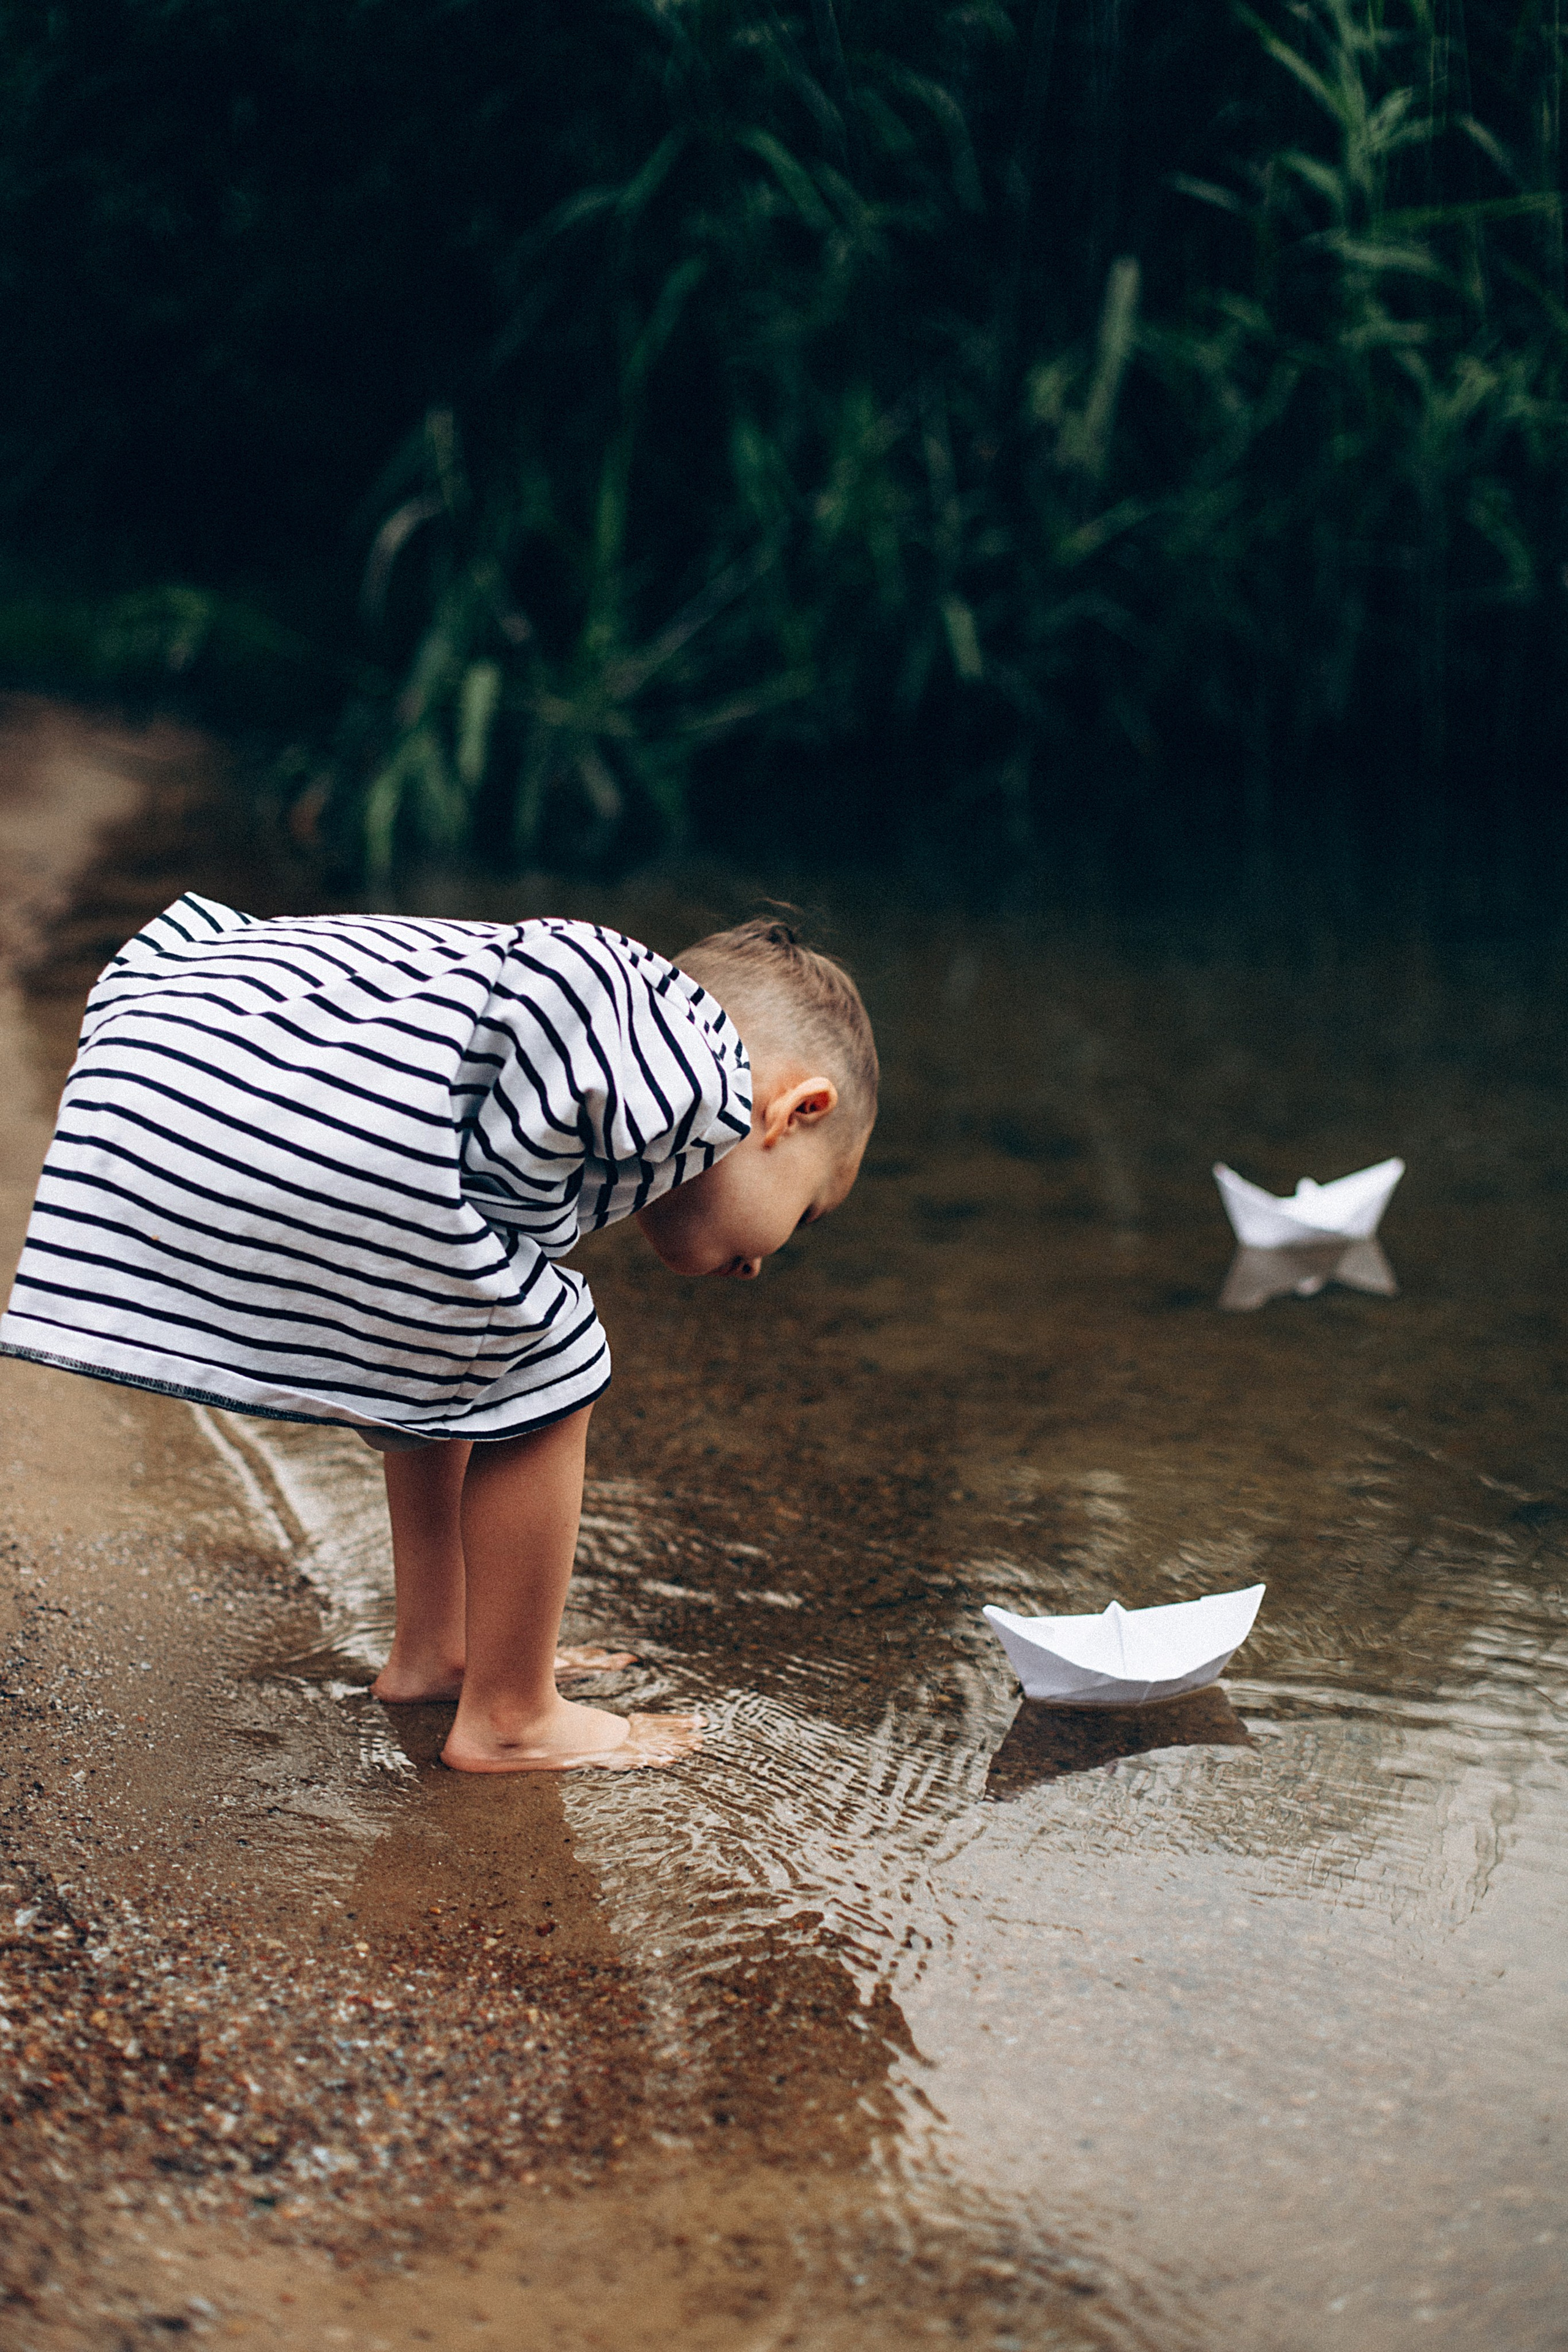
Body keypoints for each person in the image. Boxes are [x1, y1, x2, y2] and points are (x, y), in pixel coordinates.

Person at [0, 898, 876, 1771]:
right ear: (793, 1110)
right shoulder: (696, 1067)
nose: (760, 1265)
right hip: (263, 1115)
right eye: (805, 1213)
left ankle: (438, 1654)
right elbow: (568, 983)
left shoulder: (576, 1097)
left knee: (468, 1354)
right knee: (550, 1363)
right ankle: (512, 1716)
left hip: (188, 1077)